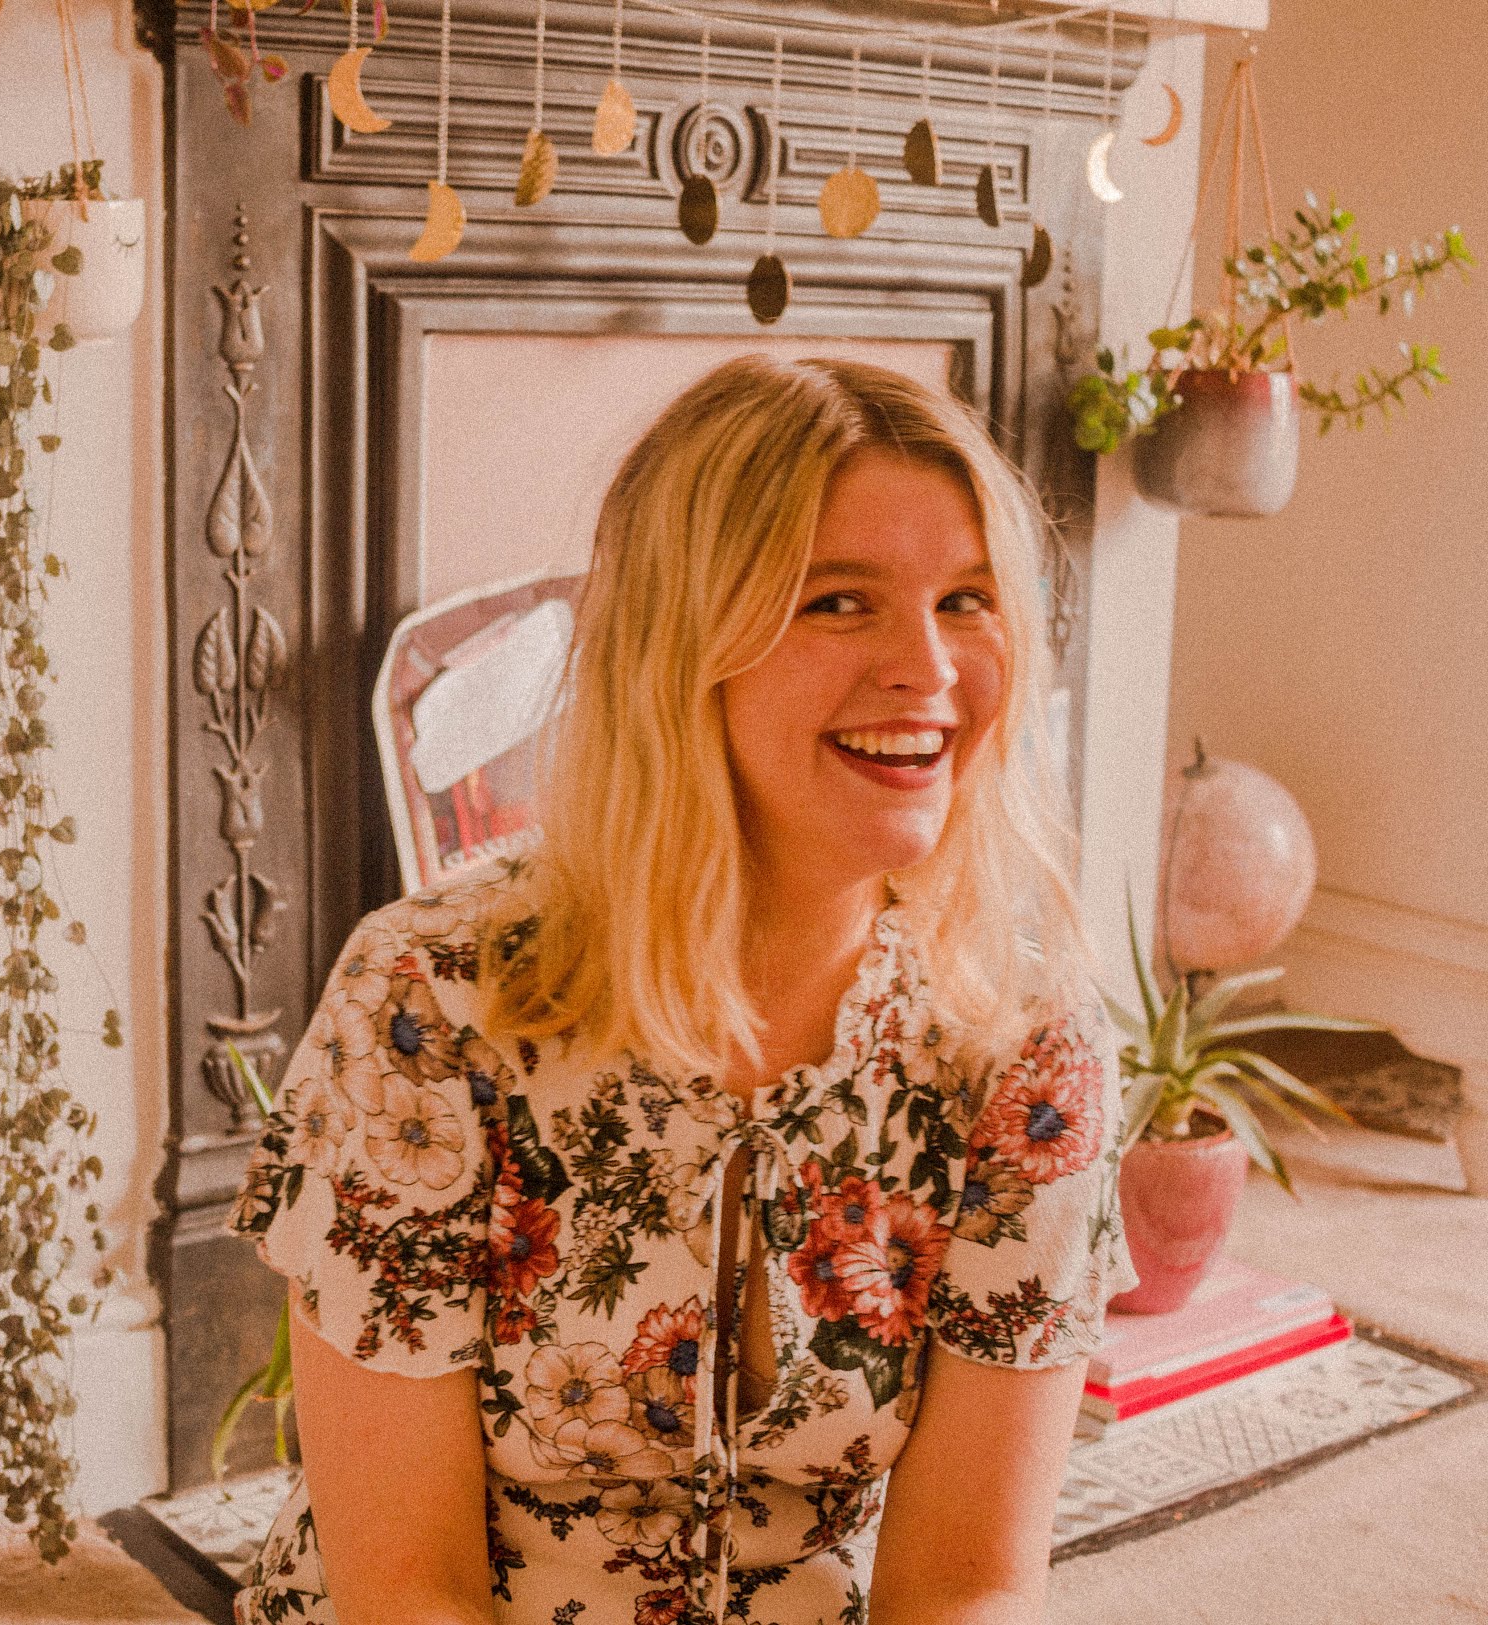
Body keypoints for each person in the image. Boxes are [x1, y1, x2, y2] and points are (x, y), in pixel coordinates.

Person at [228, 356, 1136, 1625]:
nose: (926, 668)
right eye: (837, 601)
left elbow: (970, 1581)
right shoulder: (424, 1002)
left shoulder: (1025, 1040)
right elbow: (405, 1587)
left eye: (965, 599)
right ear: (674, 639)